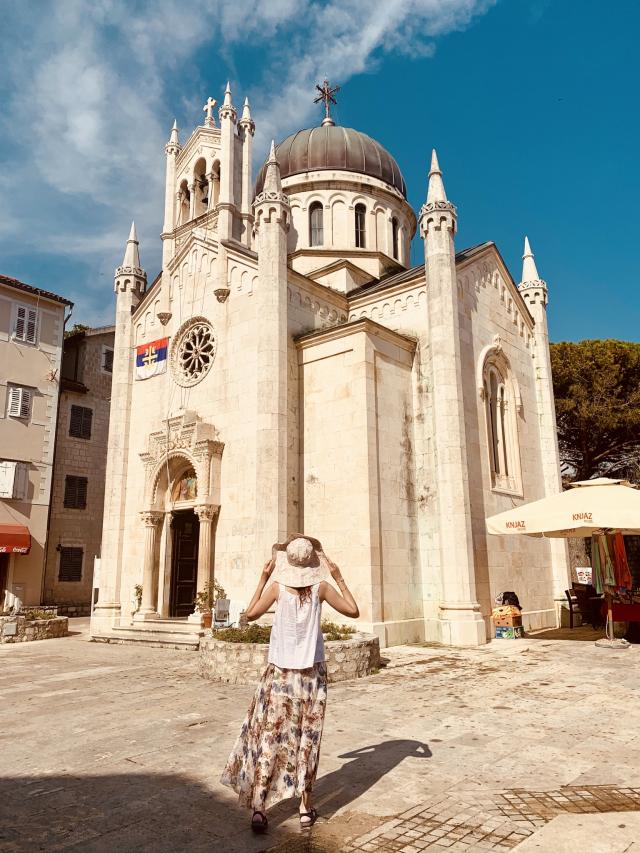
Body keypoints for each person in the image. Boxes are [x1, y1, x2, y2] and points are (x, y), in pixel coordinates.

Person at [220, 534, 359, 834]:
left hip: (281, 675)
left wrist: (262, 578)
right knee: (308, 739)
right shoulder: (322, 588)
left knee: (270, 736)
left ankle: (260, 808)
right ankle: (305, 808)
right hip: (311, 677)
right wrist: (338, 576)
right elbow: (353, 610)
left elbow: (250, 615)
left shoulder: (277, 588)